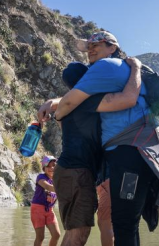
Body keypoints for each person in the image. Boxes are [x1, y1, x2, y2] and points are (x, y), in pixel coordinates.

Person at [54, 31, 159, 246]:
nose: (91, 49)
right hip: (145, 149)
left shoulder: (105, 67)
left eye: (98, 44)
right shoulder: (126, 70)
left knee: (123, 224)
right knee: (127, 223)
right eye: (88, 46)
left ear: (112, 48)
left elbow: (70, 103)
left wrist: (57, 114)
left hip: (129, 150)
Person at [37, 57, 142, 246]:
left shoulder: (65, 107)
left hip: (68, 171)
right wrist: (136, 67)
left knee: (74, 232)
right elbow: (129, 99)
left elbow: (67, 100)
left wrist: (51, 101)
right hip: (77, 173)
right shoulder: (90, 102)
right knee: (78, 234)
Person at [31, 155, 61, 246]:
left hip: (49, 210)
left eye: (53, 166)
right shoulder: (41, 177)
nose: (51, 168)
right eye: (48, 166)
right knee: (40, 237)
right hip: (37, 209)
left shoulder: (57, 180)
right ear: (44, 168)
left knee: (56, 235)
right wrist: (63, 188)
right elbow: (48, 187)